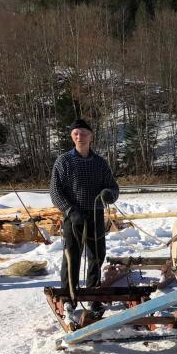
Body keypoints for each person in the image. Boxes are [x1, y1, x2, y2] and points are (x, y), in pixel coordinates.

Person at [50, 119, 119, 323]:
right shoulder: (63, 161)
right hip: (73, 217)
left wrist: (109, 194)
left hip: (96, 214)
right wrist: (70, 210)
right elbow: (55, 191)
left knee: (97, 256)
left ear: (91, 137)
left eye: (84, 133)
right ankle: (69, 297)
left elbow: (113, 188)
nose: (80, 137)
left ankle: (93, 295)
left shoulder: (100, 163)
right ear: (72, 137)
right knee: (72, 257)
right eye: (76, 134)